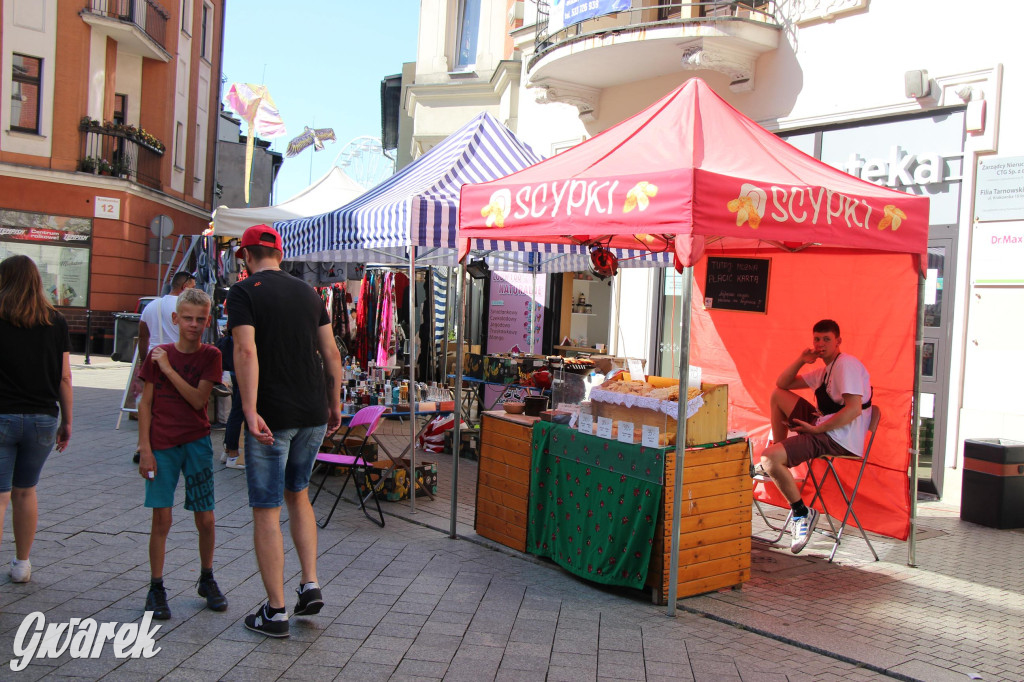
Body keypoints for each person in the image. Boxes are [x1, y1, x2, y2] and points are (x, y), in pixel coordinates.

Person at [227, 224, 342, 638]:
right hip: (312, 410)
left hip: (271, 415)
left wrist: (248, 408)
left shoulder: (243, 292)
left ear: (245, 255)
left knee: (266, 507)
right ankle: (309, 582)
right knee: (298, 494)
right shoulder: (309, 293)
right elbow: (331, 353)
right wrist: (334, 404)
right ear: (280, 253)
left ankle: (275, 612)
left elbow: (245, 350)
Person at [136, 287, 227, 619]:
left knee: (206, 517)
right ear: (175, 318)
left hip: (196, 443)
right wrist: (144, 449)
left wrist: (169, 369)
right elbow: (145, 405)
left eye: (200, 320)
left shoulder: (210, 356)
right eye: (187, 318)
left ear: (207, 321)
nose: (193, 325)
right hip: (161, 444)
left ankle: (207, 576)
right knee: (162, 518)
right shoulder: (157, 354)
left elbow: (198, 401)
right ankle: (156, 586)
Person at [758, 319, 872, 554]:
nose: (820, 344)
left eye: (826, 339)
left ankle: (802, 512)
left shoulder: (846, 365)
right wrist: (802, 359)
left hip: (838, 438)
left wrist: (816, 430)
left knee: (768, 459)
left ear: (838, 341)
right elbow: (782, 383)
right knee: (778, 395)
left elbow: (853, 409)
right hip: (824, 427)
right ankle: (780, 457)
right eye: (817, 339)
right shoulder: (826, 370)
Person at [0, 255, 72, 583]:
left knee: (0, 494)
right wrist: (67, 421)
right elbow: (65, 378)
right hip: (43, 419)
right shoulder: (56, 322)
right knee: (25, 491)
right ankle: (21, 564)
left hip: (2, 414)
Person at [138, 271, 195, 356]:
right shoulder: (187, 307)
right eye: (193, 288)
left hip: (153, 357)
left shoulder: (150, 306)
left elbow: (142, 337)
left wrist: (143, 361)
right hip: (177, 357)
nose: (194, 292)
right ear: (185, 287)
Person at [216, 328, 245, 469]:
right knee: (238, 412)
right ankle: (233, 454)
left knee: (236, 411)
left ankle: (228, 450)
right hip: (243, 370)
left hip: (236, 369)